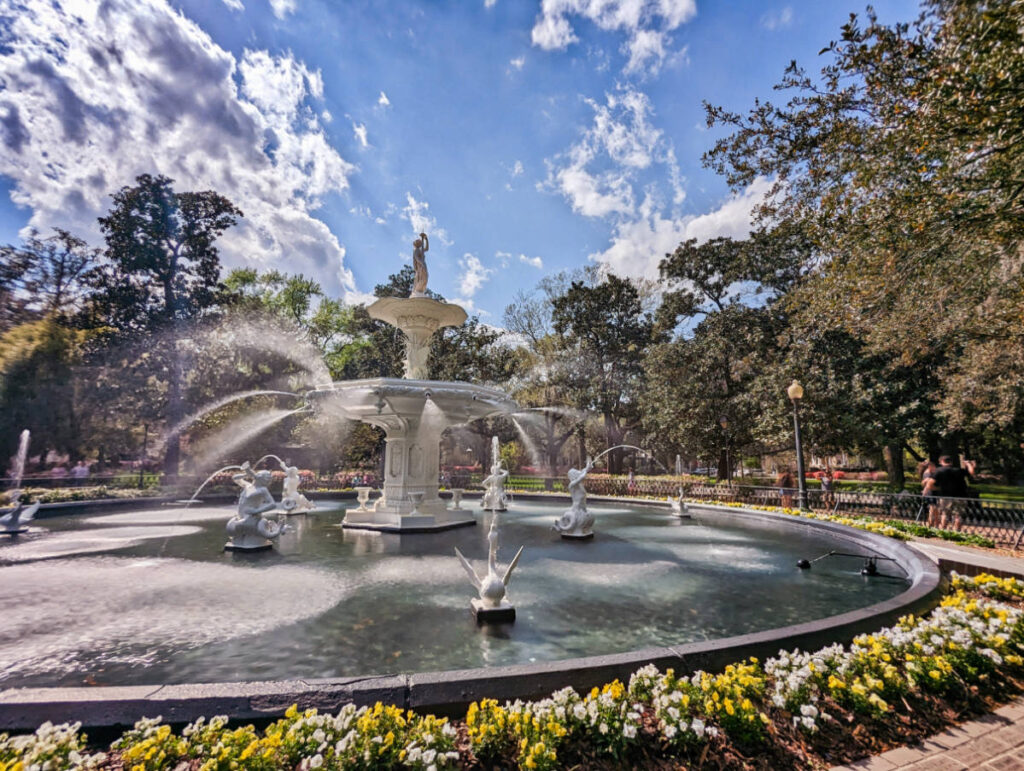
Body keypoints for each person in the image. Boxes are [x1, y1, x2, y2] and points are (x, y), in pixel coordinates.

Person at [924, 456, 975, 531]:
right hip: (960, 496)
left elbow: (929, 484)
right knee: (958, 515)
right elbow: (971, 472)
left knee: (945, 514)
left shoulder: (938, 471)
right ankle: (957, 532)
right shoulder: (959, 470)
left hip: (945, 496)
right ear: (951, 462)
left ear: (941, 462)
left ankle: (943, 531)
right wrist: (968, 464)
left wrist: (938, 488)